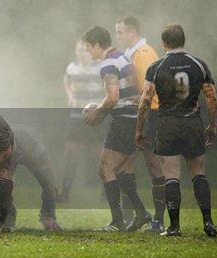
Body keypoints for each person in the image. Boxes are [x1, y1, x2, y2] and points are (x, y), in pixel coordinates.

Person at [135, 24, 217, 237]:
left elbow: (145, 100)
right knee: (198, 173)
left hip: (168, 124)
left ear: (164, 43)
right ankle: (208, 222)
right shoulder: (199, 64)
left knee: (171, 175)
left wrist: (139, 129)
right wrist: (212, 125)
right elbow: (211, 98)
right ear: (183, 41)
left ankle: (174, 227)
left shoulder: (156, 67)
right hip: (192, 122)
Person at [82, 26, 151, 232]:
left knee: (105, 169)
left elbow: (112, 97)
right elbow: (131, 92)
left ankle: (116, 222)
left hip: (124, 120)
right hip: (136, 118)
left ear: (96, 45)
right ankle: (141, 213)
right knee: (122, 171)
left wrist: (98, 112)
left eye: (88, 47)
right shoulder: (122, 58)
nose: (87, 52)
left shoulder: (108, 63)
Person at [115, 16, 166, 233]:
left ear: (132, 32)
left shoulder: (144, 53)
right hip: (137, 116)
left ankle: (158, 219)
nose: (118, 36)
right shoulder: (131, 54)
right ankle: (138, 214)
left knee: (154, 166)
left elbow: (149, 89)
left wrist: (135, 101)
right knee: (124, 165)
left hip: (150, 115)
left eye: (120, 32)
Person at [60, 41, 105, 203]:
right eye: (79, 50)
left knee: (99, 156)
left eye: (85, 50)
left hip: (95, 119)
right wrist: (70, 95)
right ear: (75, 51)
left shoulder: (101, 67)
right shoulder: (72, 67)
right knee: (70, 154)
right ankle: (64, 194)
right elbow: (66, 80)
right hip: (75, 118)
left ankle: (106, 194)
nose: (82, 53)